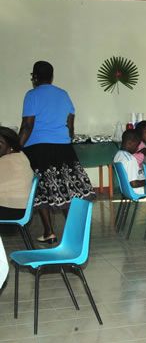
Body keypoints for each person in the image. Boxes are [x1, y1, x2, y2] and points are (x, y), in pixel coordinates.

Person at [19, 60, 95, 244]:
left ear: (35, 77)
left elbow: (28, 126)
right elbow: (70, 124)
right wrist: (66, 140)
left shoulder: (32, 95)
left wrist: (17, 147)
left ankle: (49, 232)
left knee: (41, 190)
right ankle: (73, 233)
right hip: (63, 147)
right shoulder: (63, 94)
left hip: (38, 148)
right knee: (67, 189)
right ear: (51, 77)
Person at [0, 127, 34, 220]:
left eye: (1, 142)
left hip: (10, 209)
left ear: (10, 144)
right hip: (19, 208)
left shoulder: (7, 161)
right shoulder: (20, 155)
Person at [113, 129, 146, 195]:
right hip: (138, 190)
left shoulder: (118, 155)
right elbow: (134, 183)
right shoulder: (130, 159)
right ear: (129, 143)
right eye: (137, 145)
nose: (137, 148)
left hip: (126, 190)